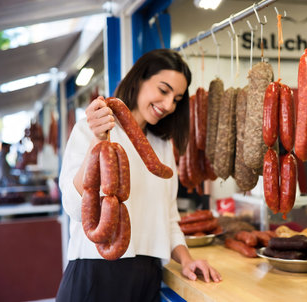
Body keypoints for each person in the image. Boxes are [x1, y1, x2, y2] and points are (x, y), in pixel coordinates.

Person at [56, 49, 221, 302]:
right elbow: (74, 208)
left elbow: (168, 218)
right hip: (94, 273)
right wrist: (96, 142)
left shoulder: (163, 145)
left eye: (176, 99)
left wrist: (187, 260)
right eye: (163, 90)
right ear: (139, 80)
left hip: (147, 276)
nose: (168, 105)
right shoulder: (90, 129)